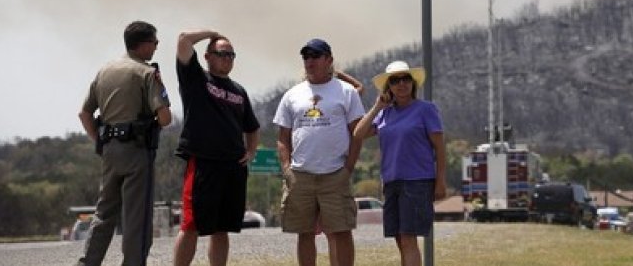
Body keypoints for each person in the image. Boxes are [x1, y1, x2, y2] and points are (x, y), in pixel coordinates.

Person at [76, 21, 172, 266]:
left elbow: (85, 114)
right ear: (143, 44)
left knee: (104, 213)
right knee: (136, 218)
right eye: (155, 42)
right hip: (136, 152)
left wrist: (100, 141)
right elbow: (165, 117)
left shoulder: (105, 71)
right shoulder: (146, 72)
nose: (156, 47)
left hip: (109, 151)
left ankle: (88, 262)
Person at [172, 30, 260, 266]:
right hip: (203, 163)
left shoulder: (239, 91)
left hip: (232, 167)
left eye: (231, 55)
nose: (227, 58)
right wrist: (213, 32)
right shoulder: (196, 79)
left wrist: (250, 153)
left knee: (222, 229)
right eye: (221, 53)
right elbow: (183, 40)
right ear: (207, 56)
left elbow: (252, 128)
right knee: (190, 226)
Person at [275, 38, 366, 266]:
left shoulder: (346, 92)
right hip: (301, 175)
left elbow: (357, 134)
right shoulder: (292, 94)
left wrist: (348, 169)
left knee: (341, 231)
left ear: (329, 60)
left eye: (315, 56)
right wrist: (287, 170)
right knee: (304, 233)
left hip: (335, 173)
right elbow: (283, 138)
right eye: (306, 57)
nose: (309, 61)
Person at [352, 61, 447, 266]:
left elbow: (440, 148)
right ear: (389, 87)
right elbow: (358, 133)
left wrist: (440, 182)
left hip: (417, 181)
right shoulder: (384, 113)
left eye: (405, 79)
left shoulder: (426, 109)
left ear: (413, 83)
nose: (401, 84)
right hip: (391, 182)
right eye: (395, 81)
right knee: (399, 239)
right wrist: (378, 105)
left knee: (407, 238)